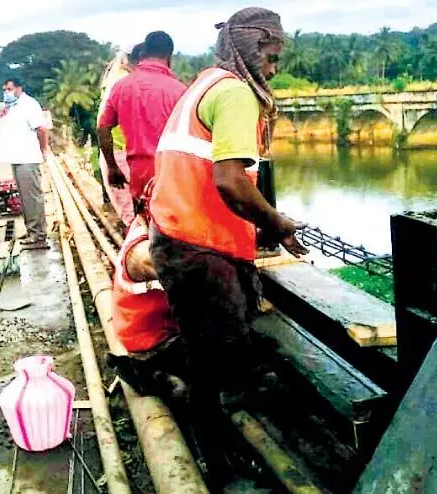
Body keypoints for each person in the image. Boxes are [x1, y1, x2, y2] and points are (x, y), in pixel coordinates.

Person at [148, 7, 309, 490]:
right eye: (271, 56)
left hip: (175, 238)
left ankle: (210, 441)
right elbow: (231, 182)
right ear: (249, 45)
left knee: (203, 353)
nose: (274, 69)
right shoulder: (236, 94)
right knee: (215, 362)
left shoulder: (203, 84)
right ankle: (219, 460)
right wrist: (277, 223)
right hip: (202, 249)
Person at [108, 179, 187, 402]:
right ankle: (147, 372)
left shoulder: (148, 229)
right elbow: (188, 277)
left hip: (156, 329)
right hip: (152, 341)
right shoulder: (143, 254)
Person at [97, 31, 187, 211]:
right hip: (172, 175)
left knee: (142, 226)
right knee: (170, 230)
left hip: (139, 176)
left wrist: (112, 167)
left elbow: (103, 127)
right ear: (169, 55)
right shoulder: (180, 90)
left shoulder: (121, 86)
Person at [0, 77, 50, 250]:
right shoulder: (12, 107)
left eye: (9, 89)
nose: (7, 93)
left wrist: (44, 150)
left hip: (27, 158)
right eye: (4, 89)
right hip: (17, 158)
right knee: (25, 198)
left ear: (19, 88)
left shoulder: (29, 105)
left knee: (32, 198)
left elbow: (41, 129)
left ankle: (38, 235)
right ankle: (32, 230)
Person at [96, 43, 144, 227]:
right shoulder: (124, 82)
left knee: (133, 216)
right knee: (134, 218)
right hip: (120, 154)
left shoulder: (119, 80)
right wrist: (112, 166)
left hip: (124, 154)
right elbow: (104, 126)